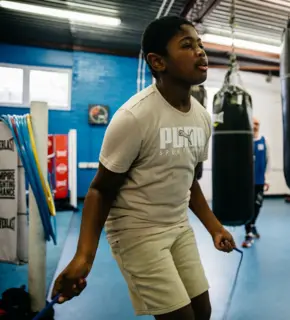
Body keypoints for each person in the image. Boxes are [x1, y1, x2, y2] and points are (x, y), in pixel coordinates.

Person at [51, 16, 236, 320]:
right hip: (137, 232)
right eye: (187, 45)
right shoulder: (135, 117)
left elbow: (188, 180)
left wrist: (215, 228)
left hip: (178, 227)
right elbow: (100, 189)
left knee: (203, 311)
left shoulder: (202, 118)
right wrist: (84, 258)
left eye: (200, 44)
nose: (200, 51)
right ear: (158, 62)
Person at [242, 117, 270, 248]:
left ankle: (252, 225)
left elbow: (268, 160)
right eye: (253, 123)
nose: (255, 126)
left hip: (260, 181)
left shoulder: (264, 141)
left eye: (257, 123)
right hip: (247, 182)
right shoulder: (245, 141)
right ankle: (248, 234)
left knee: (258, 204)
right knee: (248, 206)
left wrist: (267, 178)